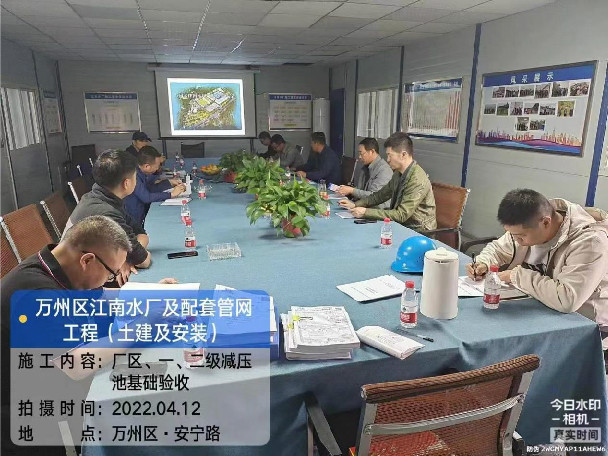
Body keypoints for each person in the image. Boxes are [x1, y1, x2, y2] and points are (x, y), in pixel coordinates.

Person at [1, 216, 177, 456]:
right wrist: (141, 327)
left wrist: (149, 295)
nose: (110, 281)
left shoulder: (59, 265)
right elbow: (74, 364)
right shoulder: (35, 292)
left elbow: (102, 298)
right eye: (112, 274)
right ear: (87, 260)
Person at [466, 189, 608, 332]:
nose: (516, 240)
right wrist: (484, 262)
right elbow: (499, 248)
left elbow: (567, 300)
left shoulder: (590, 242)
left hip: (586, 326)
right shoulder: (529, 222)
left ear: (546, 222)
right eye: (512, 234)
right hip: (542, 307)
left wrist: (515, 275)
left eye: (520, 236)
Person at [63, 149, 151, 285]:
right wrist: (132, 257)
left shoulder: (99, 197)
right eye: (135, 177)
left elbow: (141, 233)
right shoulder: (108, 212)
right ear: (126, 183)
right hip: (80, 285)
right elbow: (144, 261)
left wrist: (126, 258)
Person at [339, 132, 436, 231]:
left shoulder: (417, 179)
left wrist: (365, 212)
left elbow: (401, 214)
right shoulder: (398, 174)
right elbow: (379, 196)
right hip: (402, 226)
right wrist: (356, 204)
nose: (388, 160)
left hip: (418, 231)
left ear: (403, 155)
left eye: (390, 155)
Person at [124, 145, 186, 227]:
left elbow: (149, 189)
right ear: (147, 166)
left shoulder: (141, 171)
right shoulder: (133, 175)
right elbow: (146, 197)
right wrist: (171, 194)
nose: (158, 168)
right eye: (157, 166)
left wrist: (169, 183)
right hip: (134, 218)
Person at [337, 137, 392, 208]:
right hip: (362, 206)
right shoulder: (366, 167)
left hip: (376, 210)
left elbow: (374, 196)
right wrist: (347, 191)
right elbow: (361, 190)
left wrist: (352, 191)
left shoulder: (384, 170)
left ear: (372, 151)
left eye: (361, 153)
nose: (359, 157)